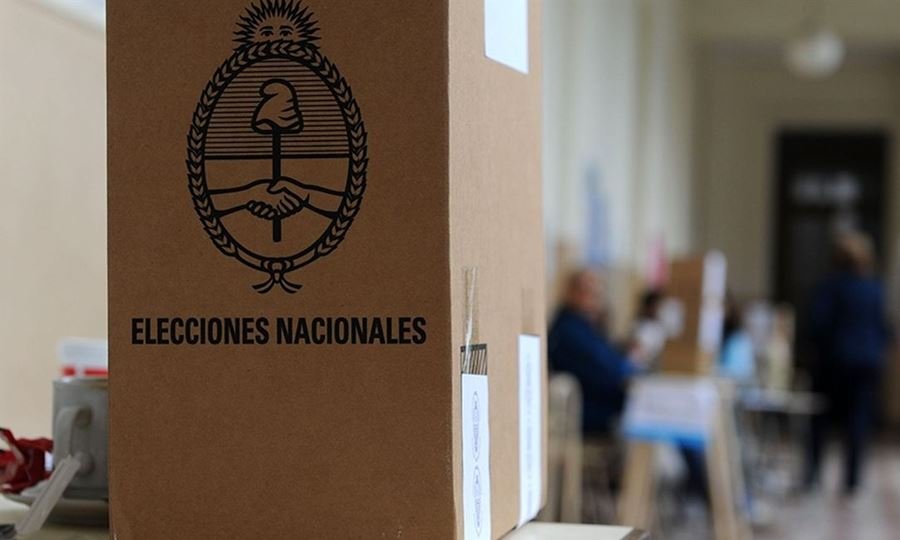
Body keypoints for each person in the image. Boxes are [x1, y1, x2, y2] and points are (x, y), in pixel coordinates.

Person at [805, 231, 891, 494]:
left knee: (819, 418)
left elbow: (818, 324)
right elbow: (883, 327)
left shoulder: (830, 287)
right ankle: (851, 481)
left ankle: (813, 475)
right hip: (866, 363)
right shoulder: (874, 288)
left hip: (834, 362)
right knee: (857, 421)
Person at [549, 269, 640, 434]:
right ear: (571, 292)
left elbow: (608, 357)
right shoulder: (569, 329)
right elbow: (608, 371)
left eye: (597, 293)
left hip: (600, 400)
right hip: (590, 407)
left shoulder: (583, 325)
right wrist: (628, 368)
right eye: (587, 292)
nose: (594, 299)